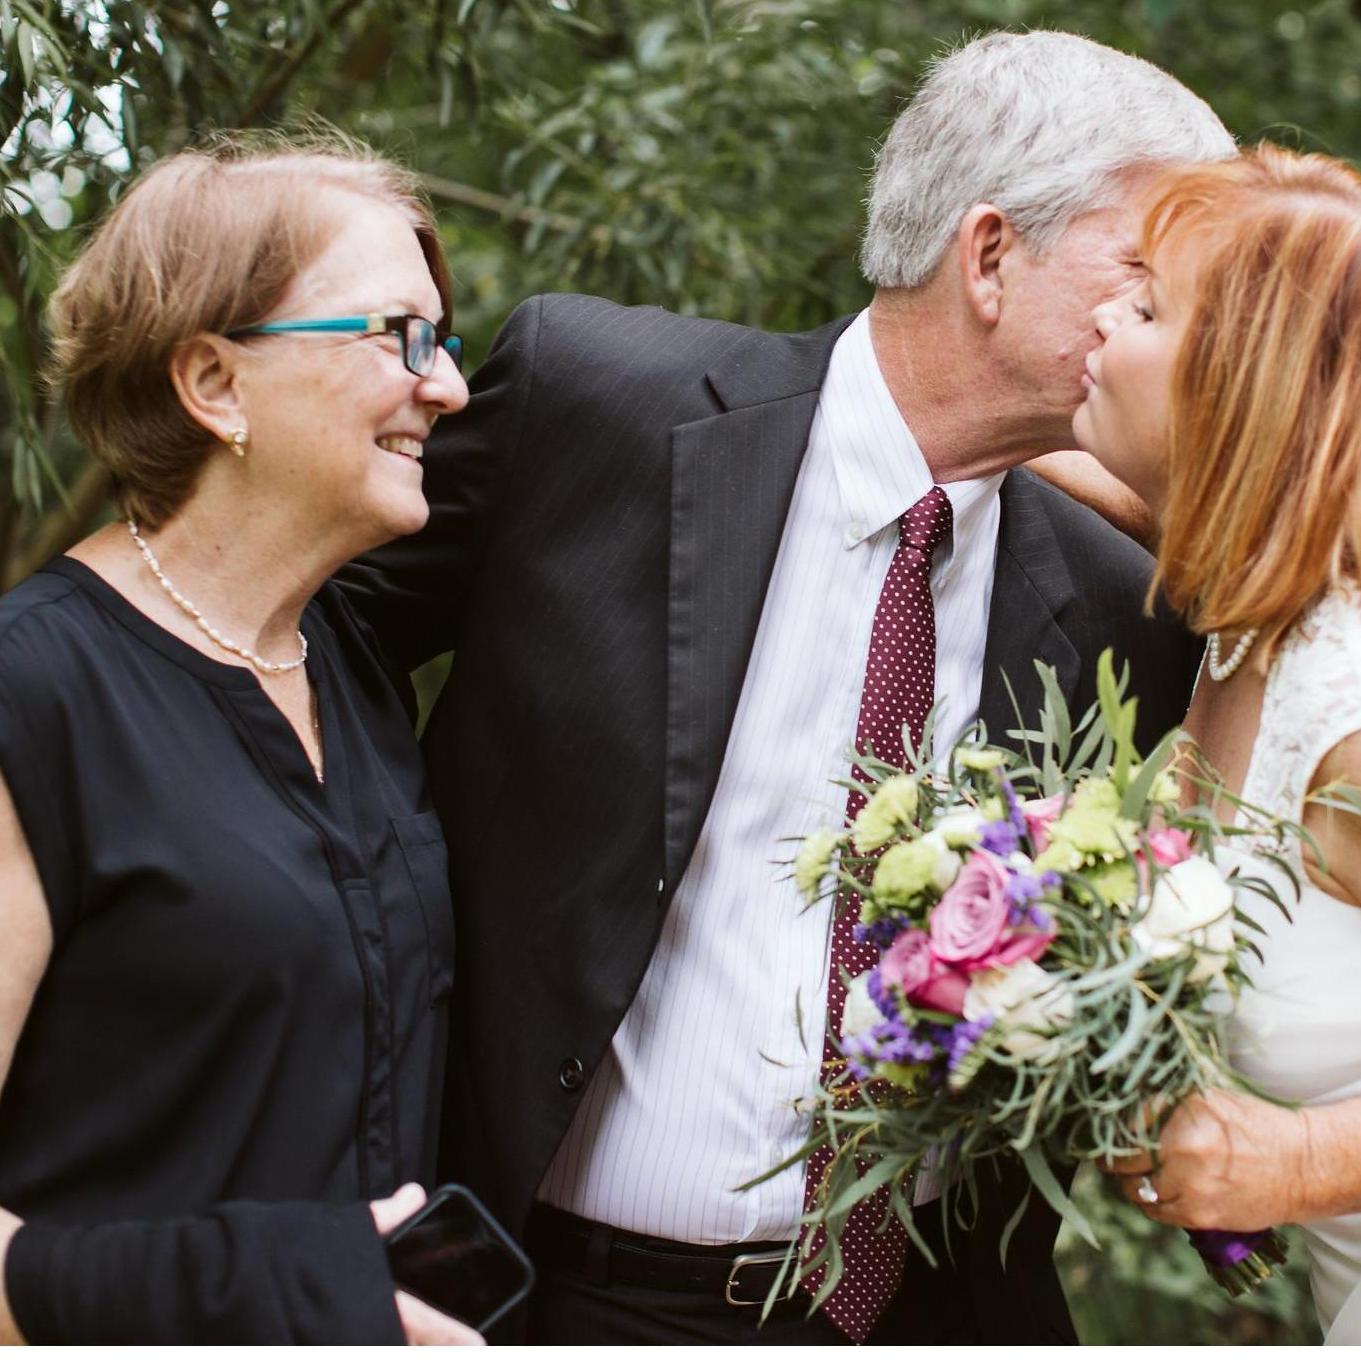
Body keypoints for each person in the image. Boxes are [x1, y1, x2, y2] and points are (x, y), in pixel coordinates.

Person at [339, 30, 1232, 1345]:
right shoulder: (593, 406)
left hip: (937, 1313)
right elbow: (305, 645)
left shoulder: (1127, 608)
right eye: (1153, 273)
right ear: (988, 256)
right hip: (537, 1296)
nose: (1192, 326)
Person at [0, 136, 483, 1344]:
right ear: (213, 382)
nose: (448, 388)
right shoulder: (32, 692)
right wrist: (266, 1287)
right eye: (397, 335)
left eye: (447, 340)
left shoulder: (352, 671)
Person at [1069, 143, 1361, 1345]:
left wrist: (1303, 1158)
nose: (1098, 312)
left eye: (1142, 307)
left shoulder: (1345, 713)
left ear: (1233, 387)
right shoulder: (1246, 618)